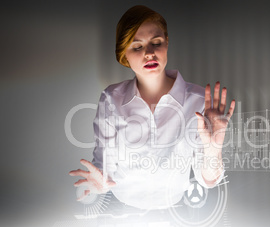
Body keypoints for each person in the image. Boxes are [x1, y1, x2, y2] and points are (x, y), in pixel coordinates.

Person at [69, 5, 235, 210]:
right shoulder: (111, 99)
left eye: (156, 43)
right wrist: (100, 181)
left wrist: (213, 150)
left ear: (166, 44)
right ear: (124, 56)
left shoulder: (199, 101)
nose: (149, 53)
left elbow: (207, 180)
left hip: (176, 209)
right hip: (121, 208)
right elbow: (105, 164)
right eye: (137, 47)